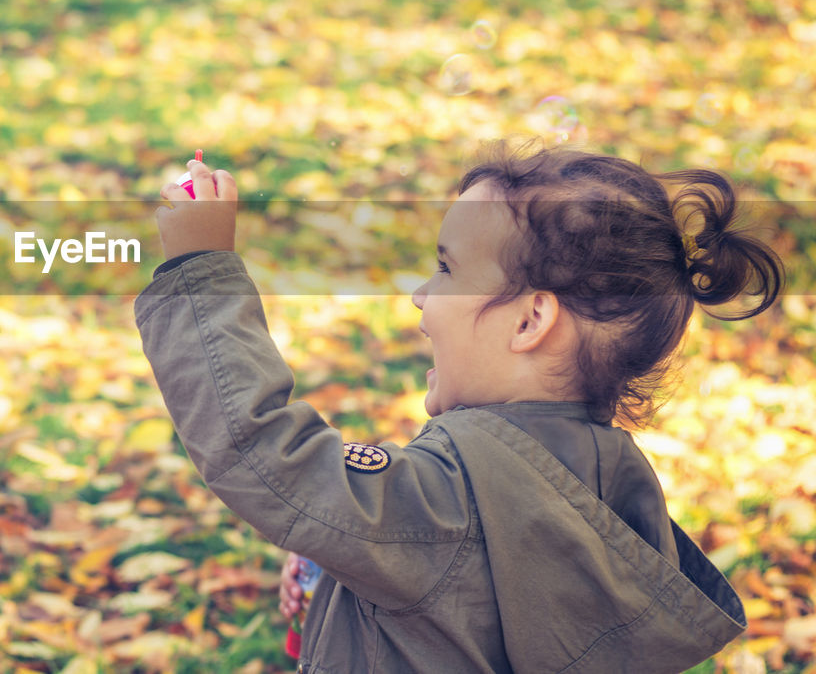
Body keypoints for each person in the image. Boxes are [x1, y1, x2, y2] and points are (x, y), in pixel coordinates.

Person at [134, 146, 783, 673]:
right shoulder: (607, 494)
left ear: (531, 319)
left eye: (446, 269)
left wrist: (201, 264)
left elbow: (270, 457)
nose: (421, 296)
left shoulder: (454, 496)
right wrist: (339, 571)